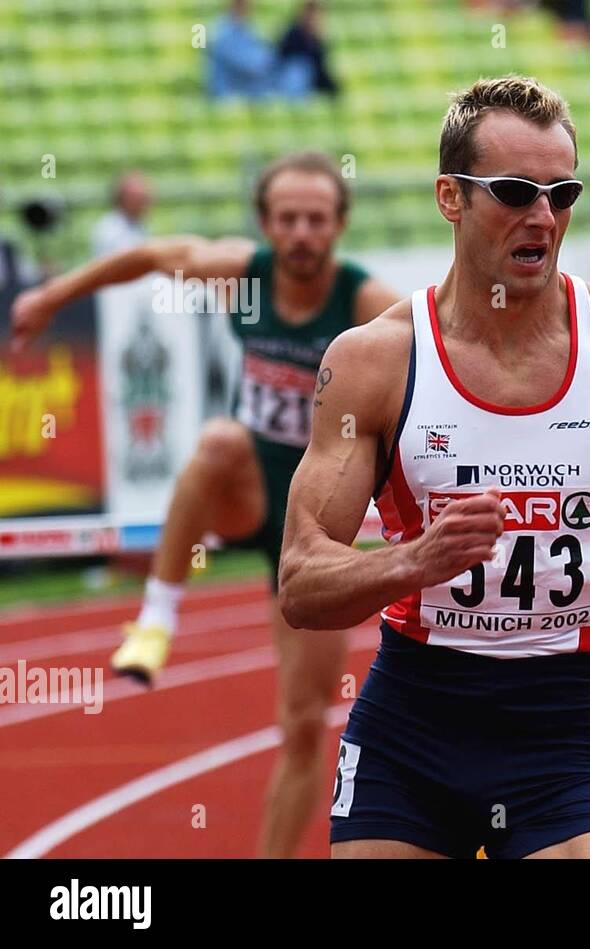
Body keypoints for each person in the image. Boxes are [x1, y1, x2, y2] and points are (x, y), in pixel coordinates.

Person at [277, 76, 590, 859]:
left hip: (564, 730)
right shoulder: (375, 362)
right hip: (412, 735)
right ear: (450, 197)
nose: (543, 216)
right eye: (517, 190)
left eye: (563, 194)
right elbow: (300, 580)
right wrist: (413, 560)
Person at [9, 151, 402, 857]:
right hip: (248, 488)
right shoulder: (241, 275)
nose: (302, 233)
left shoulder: (369, 304)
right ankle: (156, 616)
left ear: (340, 225)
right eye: (288, 219)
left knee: (305, 723)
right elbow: (151, 256)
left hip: (317, 526)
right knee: (219, 438)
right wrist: (52, 297)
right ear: (265, 223)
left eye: (316, 219)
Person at [277, 1, 340, 98]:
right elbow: (282, 61)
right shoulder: (291, 36)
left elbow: (322, 70)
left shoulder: (318, 42)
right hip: (292, 81)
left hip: (310, 83)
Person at [91, 172, 153, 257]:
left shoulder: (138, 225)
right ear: (124, 199)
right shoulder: (110, 231)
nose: (146, 203)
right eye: (140, 198)